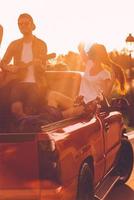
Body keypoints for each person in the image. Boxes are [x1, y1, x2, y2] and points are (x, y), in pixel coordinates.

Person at [0, 13, 47, 119]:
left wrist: (39, 65)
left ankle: (33, 123)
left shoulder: (41, 44)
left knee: (30, 111)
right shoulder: (14, 44)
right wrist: (10, 68)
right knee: (15, 110)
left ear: (32, 25)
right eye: (20, 24)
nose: (23, 26)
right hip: (18, 82)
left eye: (26, 23)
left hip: (36, 84)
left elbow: (44, 68)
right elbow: (3, 62)